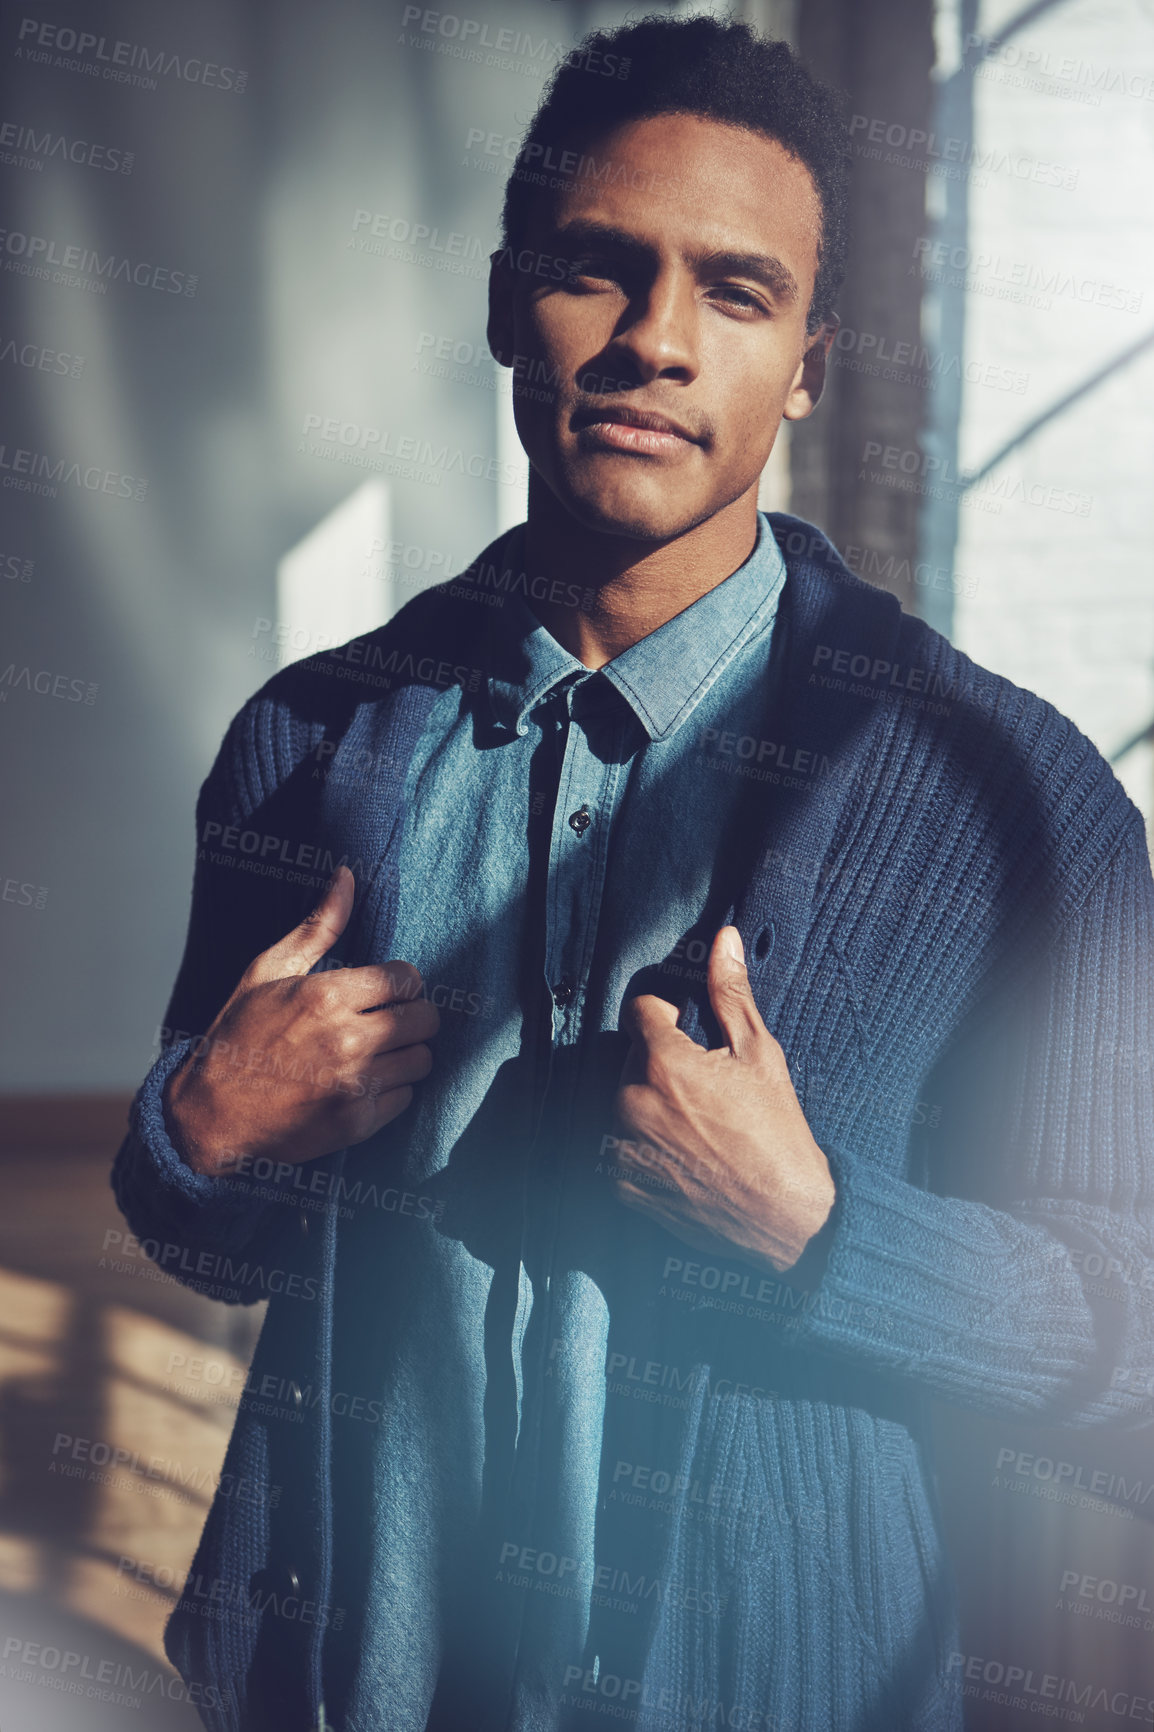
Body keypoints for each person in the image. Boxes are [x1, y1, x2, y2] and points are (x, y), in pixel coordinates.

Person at [111, 14, 1154, 1732]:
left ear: (810, 360)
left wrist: (822, 1230)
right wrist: (197, 1134)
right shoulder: (306, 740)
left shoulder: (1013, 803)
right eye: (600, 270)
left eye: (735, 294)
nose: (655, 343)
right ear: (506, 299)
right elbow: (205, 1232)